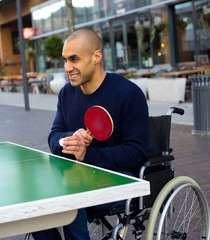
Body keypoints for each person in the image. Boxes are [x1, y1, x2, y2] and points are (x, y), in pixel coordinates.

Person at [32, 29, 149, 240]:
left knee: (70, 196)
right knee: (36, 196)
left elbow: (136, 152)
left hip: (122, 180)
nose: (68, 67)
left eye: (74, 59)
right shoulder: (66, 93)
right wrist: (68, 139)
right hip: (78, 176)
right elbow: (54, 136)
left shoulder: (129, 93)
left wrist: (87, 155)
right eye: (65, 60)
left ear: (97, 56)